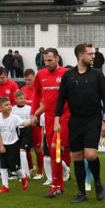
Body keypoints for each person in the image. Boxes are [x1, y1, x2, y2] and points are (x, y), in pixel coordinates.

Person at [54, 42, 105, 202]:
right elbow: (61, 98)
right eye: (90, 54)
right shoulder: (68, 75)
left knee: (91, 154)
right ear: (81, 56)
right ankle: (82, 193)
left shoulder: (97, 75)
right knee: (78, 156)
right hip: (75, 121)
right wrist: (57, 119)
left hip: (93, 119)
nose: (93, 56)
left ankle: (98, 182)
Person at [31, 49, 70, 196]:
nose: (47, 64)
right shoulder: (41, 74)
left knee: (55, 149)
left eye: (50, 60)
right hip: (47, 118)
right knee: (54, 154)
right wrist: (33, 114)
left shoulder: (66, 73)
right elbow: (36, 94)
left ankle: (54, 184)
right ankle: (60, 184)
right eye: (45, 61)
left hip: (63, 118)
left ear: (57, 59)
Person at [0, 96, 33, 193]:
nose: (9, 106)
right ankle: (5, 186)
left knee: (13, 167)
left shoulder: (14, 117)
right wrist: (1, 146)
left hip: (13, 144)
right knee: (3, 166)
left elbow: (24, 124)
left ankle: (24, 177)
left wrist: (31, 122)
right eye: (6, 105)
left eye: (10, 104)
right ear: (0, 108)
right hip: (3, 145)